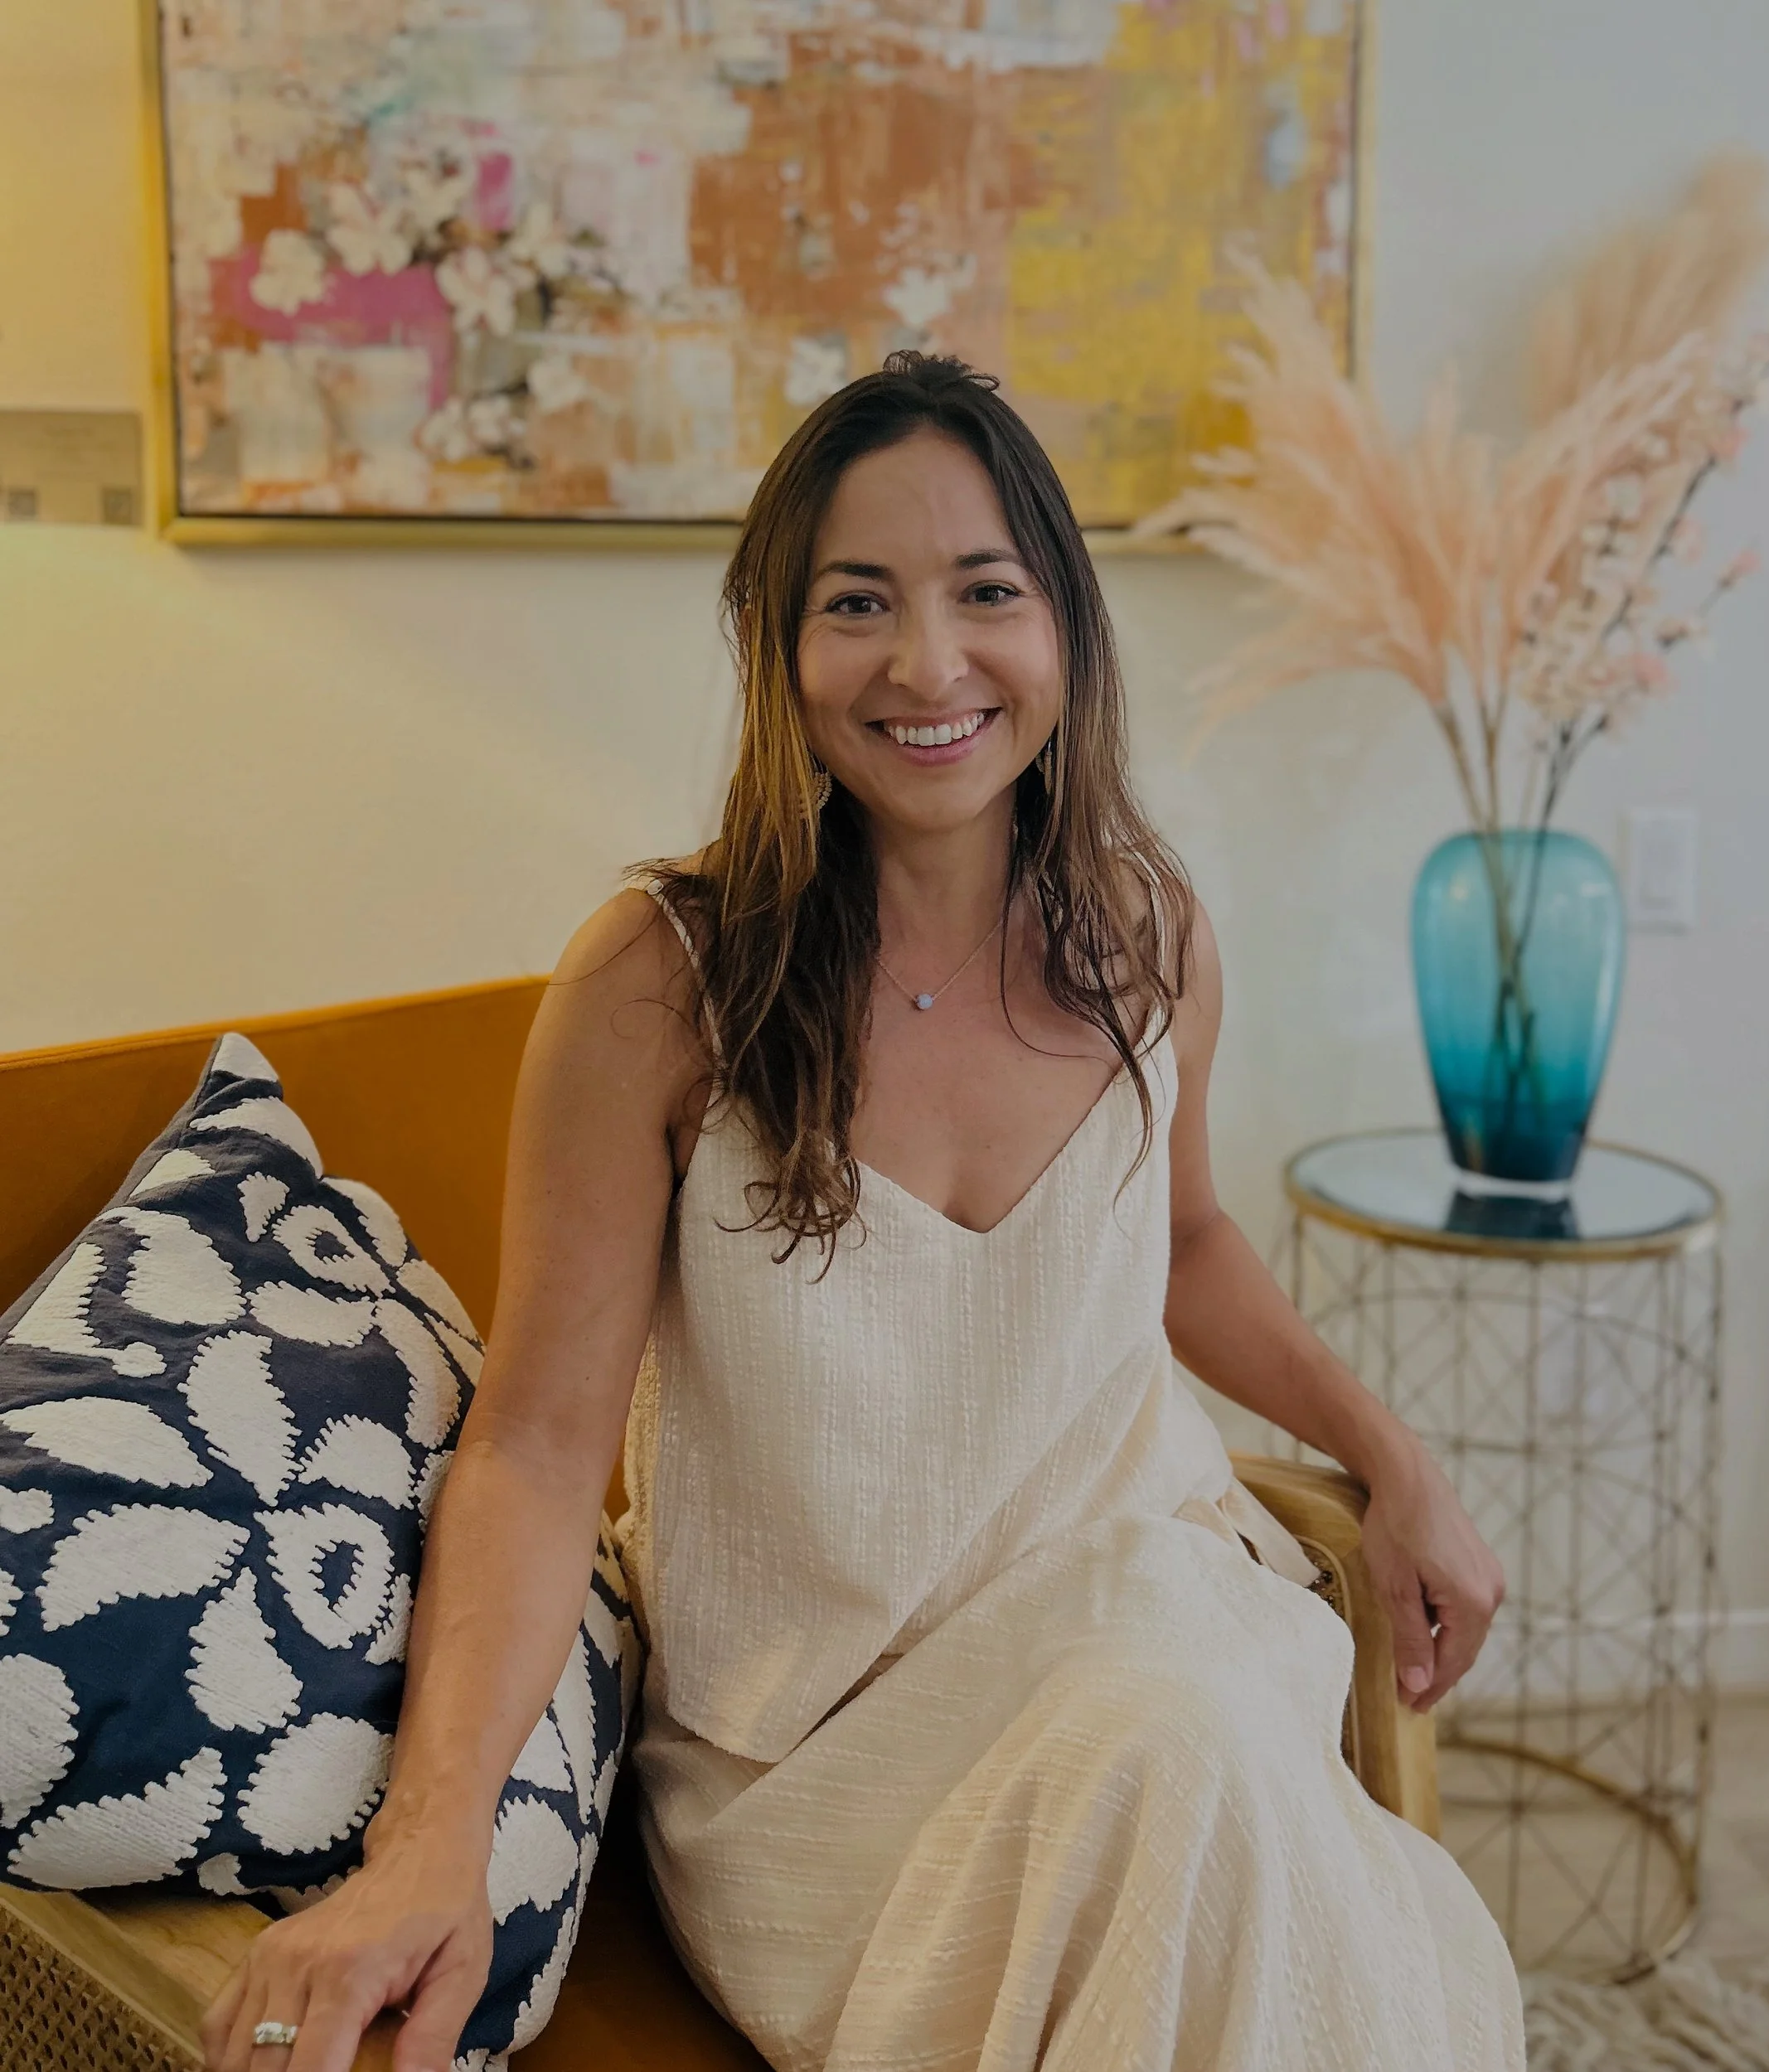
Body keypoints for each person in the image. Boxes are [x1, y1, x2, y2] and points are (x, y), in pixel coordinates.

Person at [201, 353, 1524, 2072]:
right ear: (776, 643)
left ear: (1065, 627)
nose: (927, 663)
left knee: (1188, 1747)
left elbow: (1184, 1244)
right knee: (1202, 1789)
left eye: (986, 591)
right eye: (857, 603)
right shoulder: (659, 985)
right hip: (816, 1763)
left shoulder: (1152, 938)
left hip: (1159, 1616)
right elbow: (534, 1442)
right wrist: (429, 1843)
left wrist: (1391, 1451)